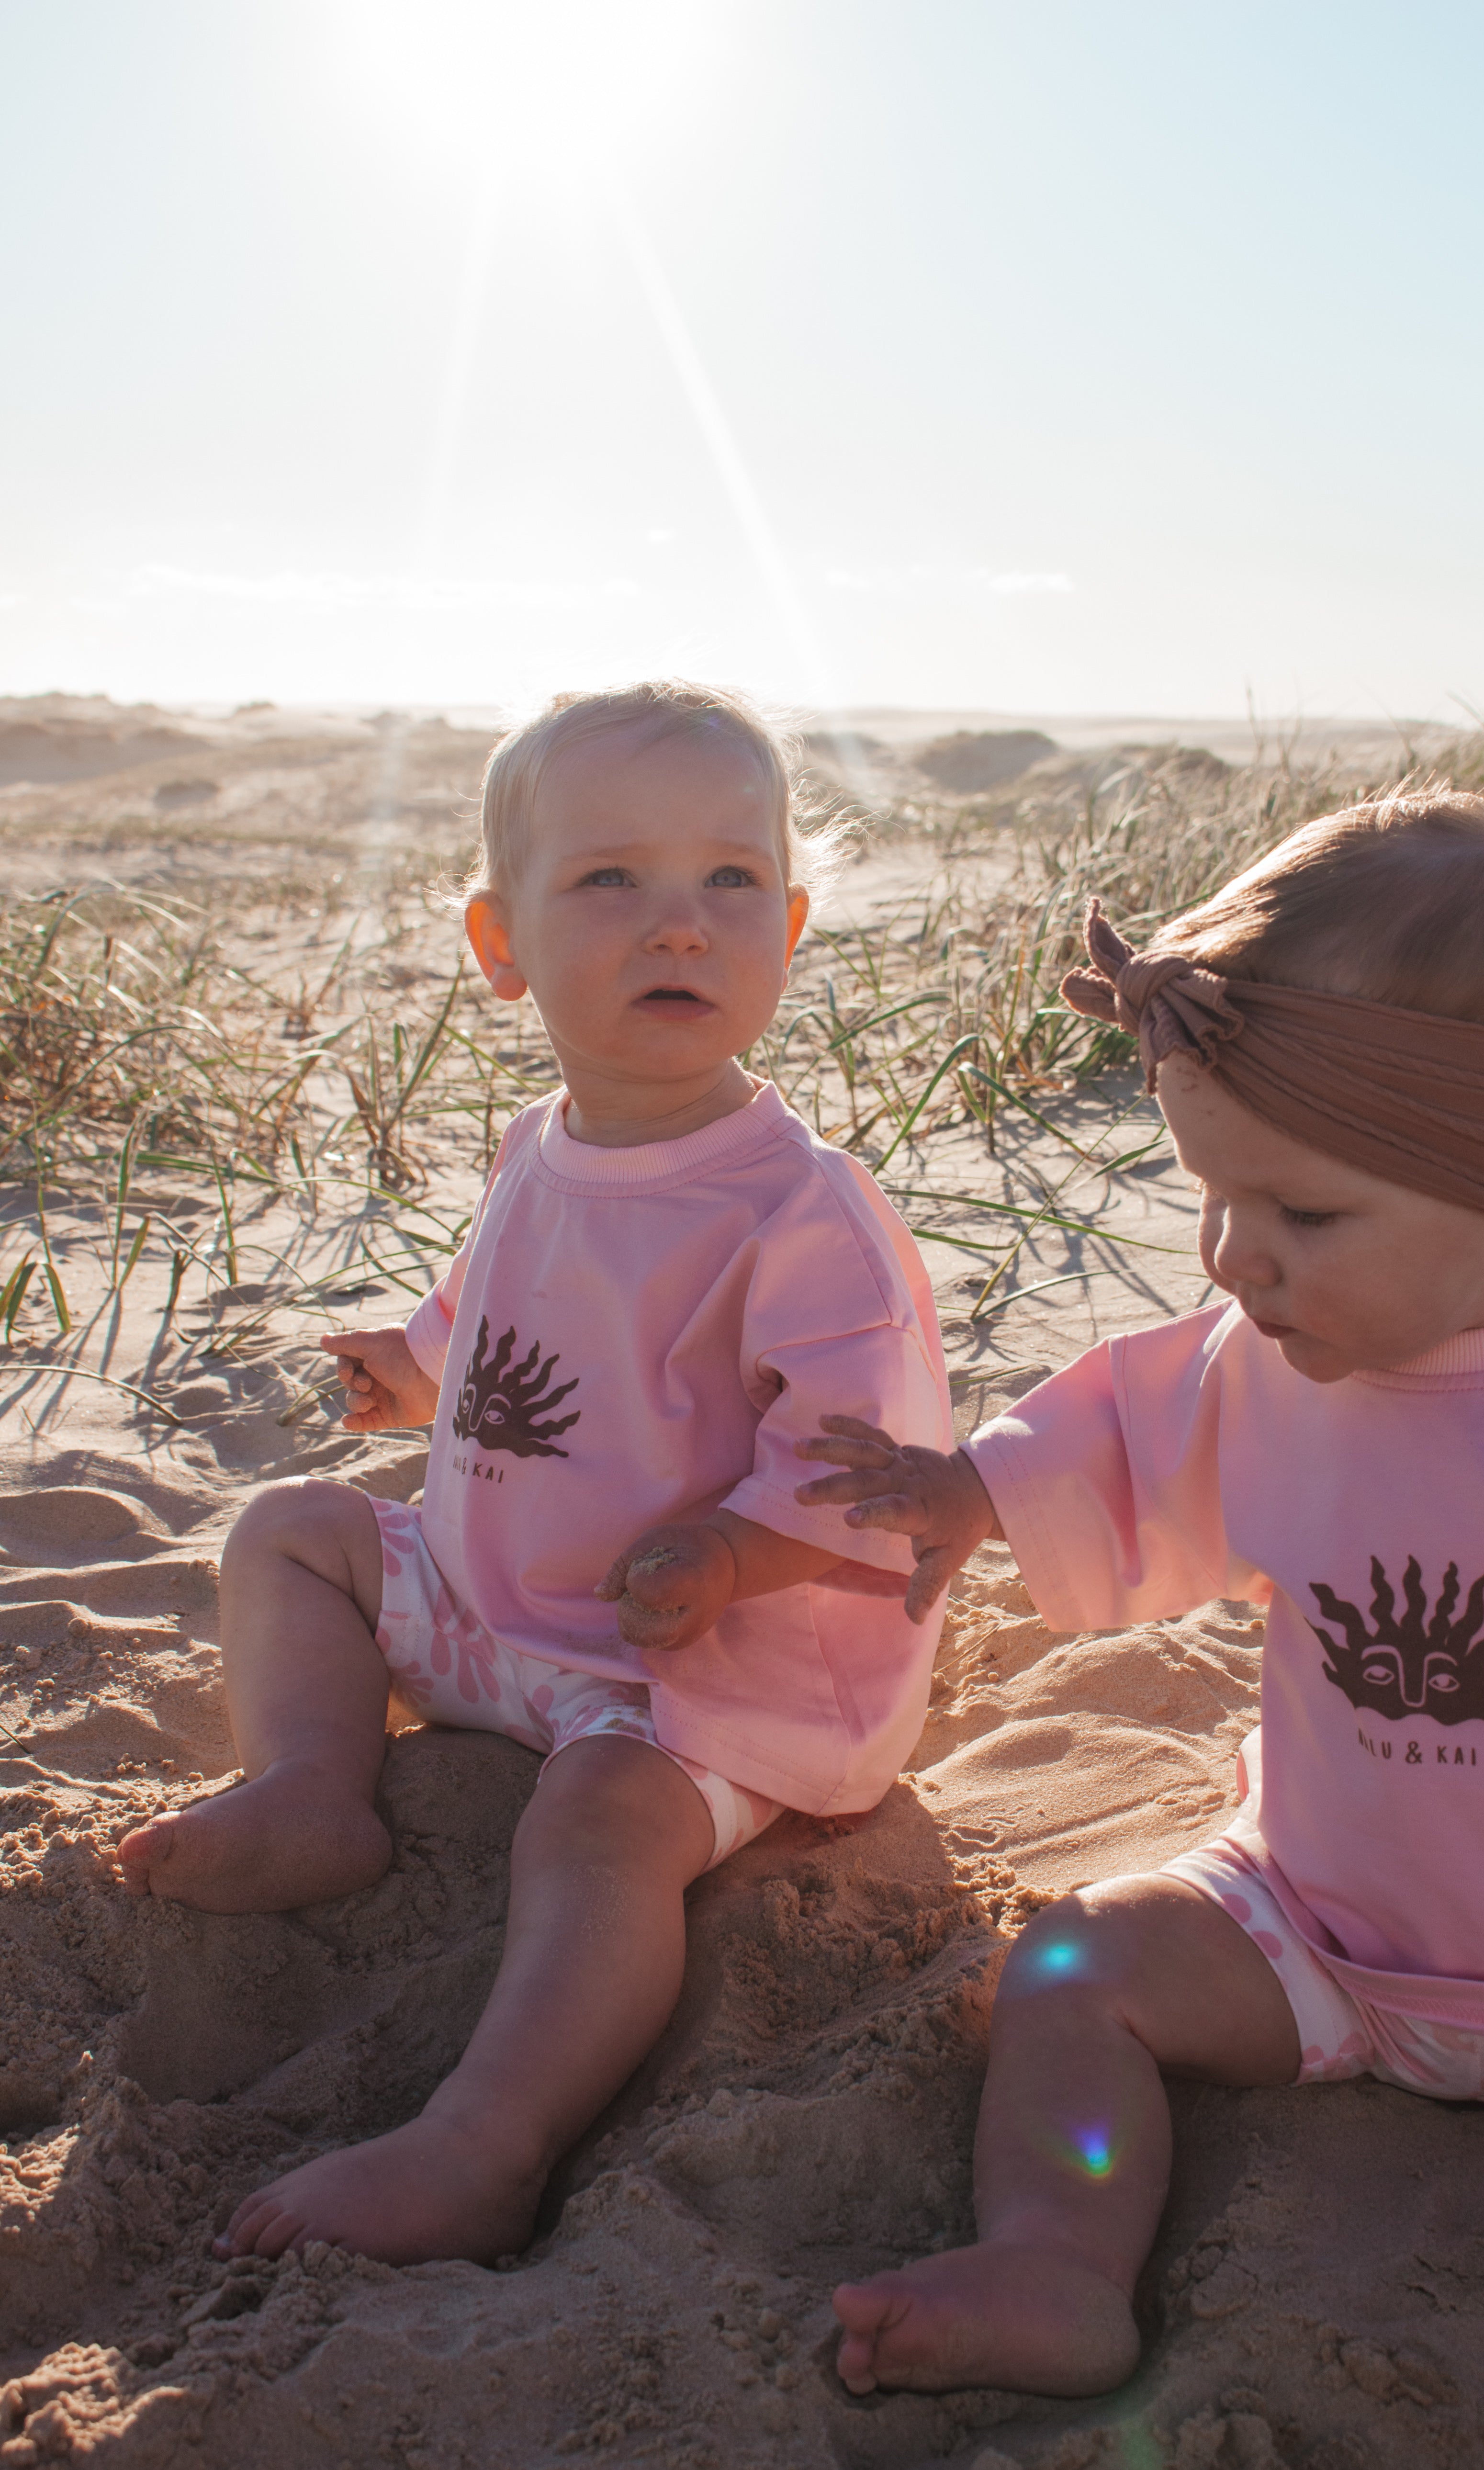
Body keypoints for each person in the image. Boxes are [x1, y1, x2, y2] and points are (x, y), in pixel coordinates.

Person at [795, 791, 1484, 2398]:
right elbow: (1117, 1443)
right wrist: (973, 1492)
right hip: (1329, 1939)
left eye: (1301, 1215)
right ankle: (1055, 2262)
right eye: (1211, 1197)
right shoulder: (1264, 1371)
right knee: (1069, 1971)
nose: (1227, 1260)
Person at [118, 680, 951, 2268]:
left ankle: (483, 2142)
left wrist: (729, 1552)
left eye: (730, 882)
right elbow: (497, 1305)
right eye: (610, 881)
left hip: (686, 1665)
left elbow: (873, 1466)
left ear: (789, 925)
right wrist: (419, 1371)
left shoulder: (802, 1212)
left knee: (598, 1829)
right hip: (496, 1603)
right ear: (501, 950)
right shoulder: (534, 1145)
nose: (679, 926)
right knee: (292, 1531)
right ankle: (314, 1786)